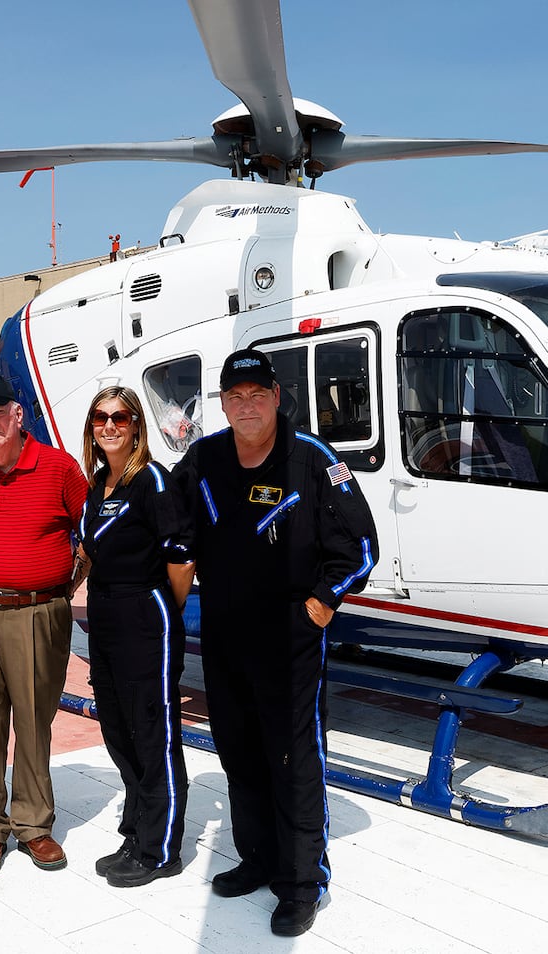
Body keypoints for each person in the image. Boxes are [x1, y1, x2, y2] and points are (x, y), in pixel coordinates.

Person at [172, 348, 379, 937]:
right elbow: (170, 521)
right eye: (234, 397)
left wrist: (322, 602)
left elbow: (360, 547)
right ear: (222, 402)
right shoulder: (205, 457)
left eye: (256, 396)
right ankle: (257, 858)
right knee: (239, 752)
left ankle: (301, 882)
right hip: (224, 630)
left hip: (288, 635)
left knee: (292, 760)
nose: (245, 407)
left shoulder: (312, 460)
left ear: (276, 397)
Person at [0, 373, 87, 877]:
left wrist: (65, 586)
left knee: (34, 719)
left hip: (38, 611)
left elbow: (92, 530)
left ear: (18, 414)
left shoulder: (58, 467)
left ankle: (33, 824)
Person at [77, 386, 194, 888]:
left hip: (146, 615)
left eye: (118, 418)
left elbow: (182, 557)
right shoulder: (99, 482)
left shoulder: (153, 481)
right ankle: (138, 829)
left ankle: (160, 848)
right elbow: (89, 553)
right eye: (99, 418)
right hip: (104, 616)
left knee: (153, 734)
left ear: (135, 425)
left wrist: (162, 608)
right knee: (118, 730)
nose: (108, 426)